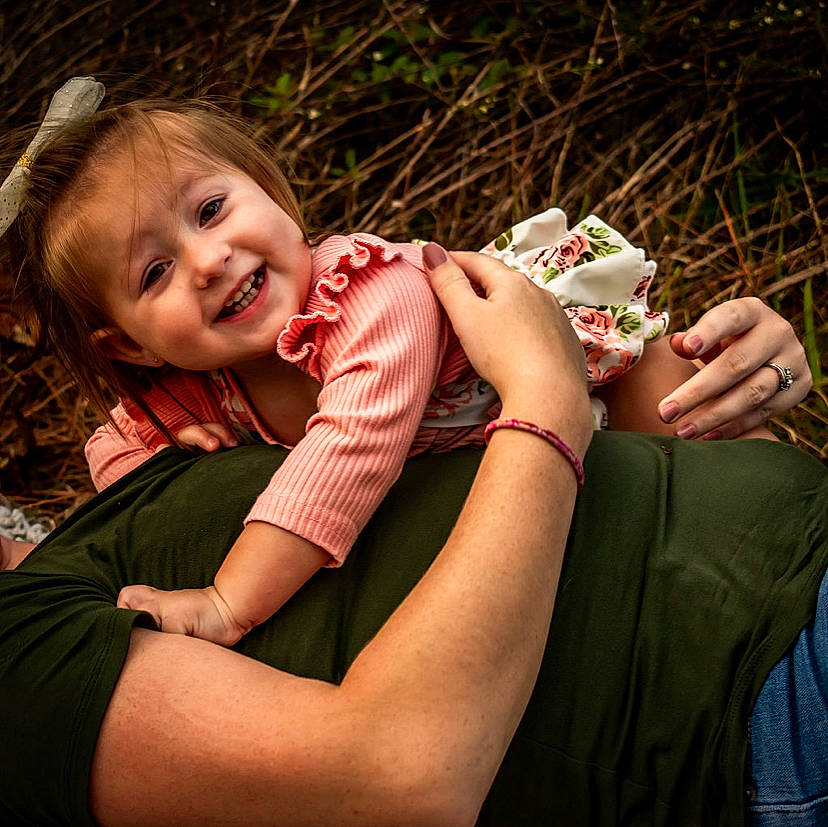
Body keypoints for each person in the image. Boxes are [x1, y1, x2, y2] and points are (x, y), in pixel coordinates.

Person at [0, 250, 824, 827]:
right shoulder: (28, 653)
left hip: (792, 549)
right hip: (752, 695)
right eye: (153, 270)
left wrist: (728, 384)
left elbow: (636, 448)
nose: (208, 262)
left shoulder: (175, 429)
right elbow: (404, 778)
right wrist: (544, 397)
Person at [2, 78, 807, 649]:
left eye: (211, 209)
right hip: (518, 461)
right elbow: (111, 450)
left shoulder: (367, 289)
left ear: (268, 189)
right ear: (132, 345)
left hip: (593, 390)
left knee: (695, 431)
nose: (207, 260)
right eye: (154, 273)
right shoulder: (197, 378)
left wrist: (226, 601)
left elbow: (351, 446)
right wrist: (166, 455)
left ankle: (799, 562)